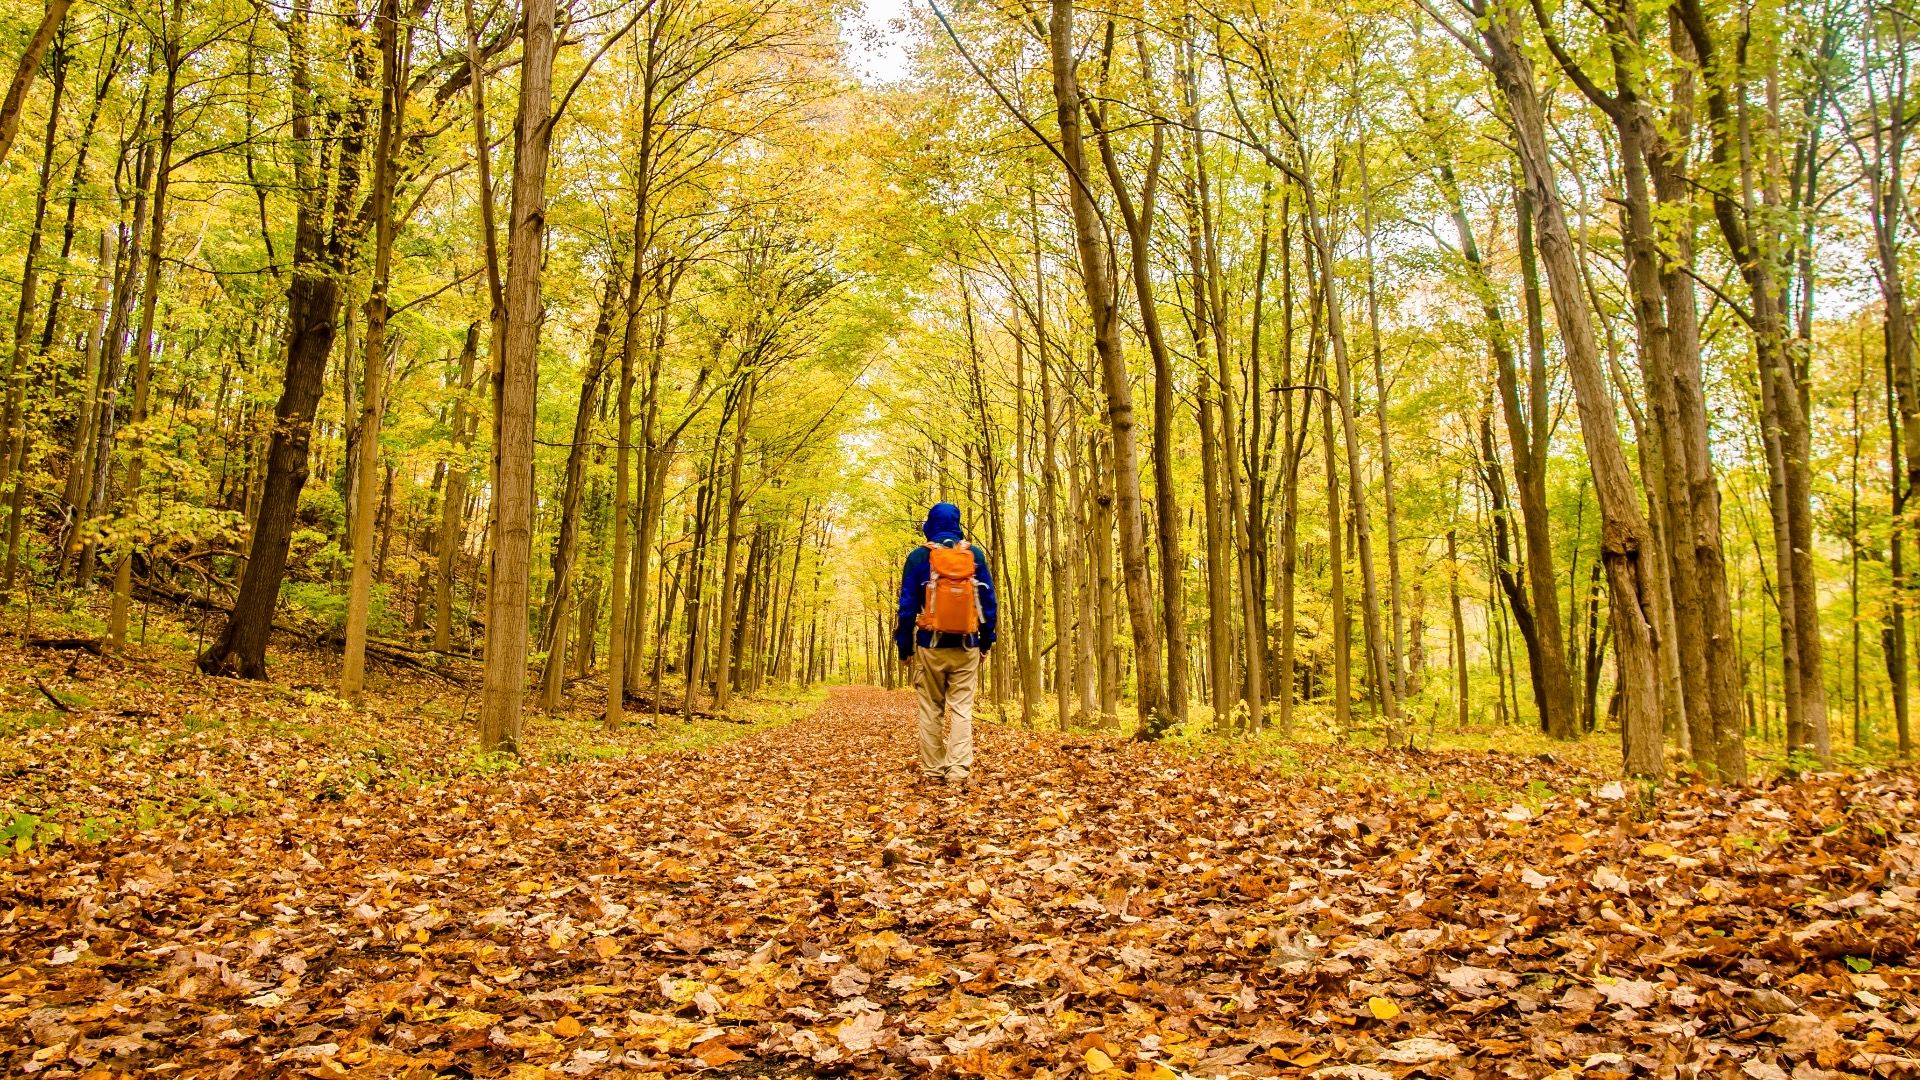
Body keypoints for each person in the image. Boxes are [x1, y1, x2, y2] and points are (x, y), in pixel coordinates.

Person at [895, 502, 997, 784]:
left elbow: (906, 608)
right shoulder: (973, 555)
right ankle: (958, 771)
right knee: (962, 709)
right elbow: (988, 604)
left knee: (931, 709)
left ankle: (933, 770)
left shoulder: (918, 558)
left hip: (930, 645)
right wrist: (987, 641)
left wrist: (904, 648)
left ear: (930, 524)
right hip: (967, 644)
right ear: (957, 522)